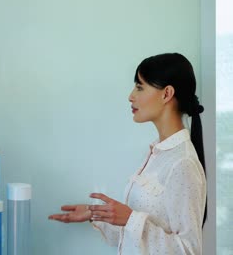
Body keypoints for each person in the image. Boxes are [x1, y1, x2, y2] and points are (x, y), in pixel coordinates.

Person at [49, 53, 207, 254]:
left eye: (140, 87)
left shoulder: (182, 162)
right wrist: (94, 214)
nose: (131, 96)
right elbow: (133, 236)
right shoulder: (156, 153)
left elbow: (189, 250)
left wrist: (131, 219)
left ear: (166, 94)